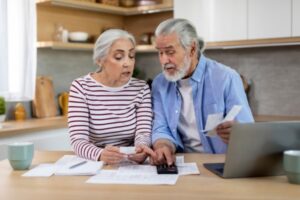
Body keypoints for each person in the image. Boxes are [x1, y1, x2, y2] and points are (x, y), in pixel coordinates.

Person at [150, 18, 254, 165]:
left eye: (169, 52)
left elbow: (249, 132)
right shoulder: (159, 84)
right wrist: (163, 145)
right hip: (181, 163)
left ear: (192, 49)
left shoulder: (226, 77)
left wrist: (238, 133)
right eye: (160, 53)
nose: (163, 60)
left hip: (221, 163)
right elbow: (161, 127)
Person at [68, 29, 154, 165]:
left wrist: (141, 149)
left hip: (130, 162)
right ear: (100, 60)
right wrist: (100, 154)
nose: (128, 63)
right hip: (95, 162)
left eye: (131, 56)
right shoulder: (81, 87)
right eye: (119, 57)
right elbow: (78, 141)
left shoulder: (141, 88)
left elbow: (143, 132)